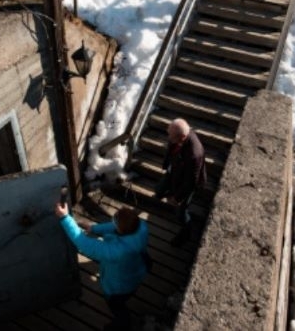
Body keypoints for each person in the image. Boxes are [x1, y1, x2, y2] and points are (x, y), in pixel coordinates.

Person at [55, 203, 148, 331]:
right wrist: (94, 229)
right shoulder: (141, 227)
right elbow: (114, 227)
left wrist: (65, 218)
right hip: (136, 273)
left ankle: (123, 324)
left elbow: (85, 244)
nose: (113, 223)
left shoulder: (117, 252)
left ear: (121, 230)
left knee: (117, 307)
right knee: (126, 297)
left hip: (119, 288)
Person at [153, 118, 207, 246]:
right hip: (174, 171)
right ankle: (165, 196)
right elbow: (172, 148)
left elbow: (191, 182)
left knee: (181, 213)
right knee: (158, 190)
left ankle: (186, 232)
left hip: (185, 182)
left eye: (171, 136)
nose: (168, 138)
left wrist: (177, 198)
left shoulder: (194, 154)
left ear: (182, 137)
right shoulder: (179, 135)